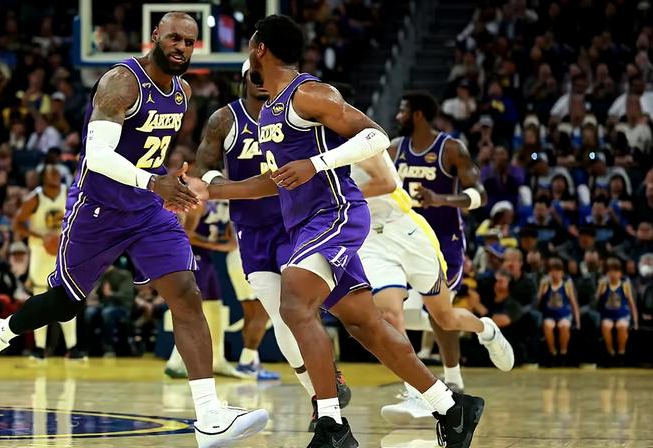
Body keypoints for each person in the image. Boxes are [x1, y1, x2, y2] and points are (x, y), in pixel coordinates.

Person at [0, 12, 268, 448]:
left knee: (186, 292)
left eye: (190, 42)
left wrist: (167, 182)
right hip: (98, 209)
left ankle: (209, 415)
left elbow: (145, 154)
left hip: (146, 210)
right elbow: (98, 154)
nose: (182, 47)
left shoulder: (181, 92)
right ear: (156, 36)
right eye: (174, 38)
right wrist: (153, 180)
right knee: (65, 303)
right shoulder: (122, 82)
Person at [184, 15, 483, 447]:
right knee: (366, 326)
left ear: (260, 48)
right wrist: (211, 191)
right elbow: (276, 179)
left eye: (250, 44)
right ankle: (452, 408)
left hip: (335, 213)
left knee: (295, 304)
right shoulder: (270, 108)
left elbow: (375, 136)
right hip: (303, 222)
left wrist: (316, 164)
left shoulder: (310, 92)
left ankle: (331, 425)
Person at [193, 59, 350, 429]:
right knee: (279, 316)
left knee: (304, 310)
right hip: (252, 229)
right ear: (245, 78)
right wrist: (221, 185)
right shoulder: (224, 119)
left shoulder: (296, 109)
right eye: (255, 75)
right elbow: (205, 167)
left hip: (298, 222)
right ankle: (319, 392)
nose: (262, 81)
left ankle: (325, 392)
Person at [347, 111, 513, 423]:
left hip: (406, 229)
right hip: (371, 239)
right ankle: (418, 391)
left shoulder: (357, 140)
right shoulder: (307, 150)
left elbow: (387, 182)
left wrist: (341, 193)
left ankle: (486, 329)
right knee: (389, 316)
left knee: (444, 317)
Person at [384, 91, 489, 400]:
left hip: (445, 241)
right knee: (392, 309)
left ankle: (453, 376)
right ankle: (417, 385)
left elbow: (480, 195)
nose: (398, 117)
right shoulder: (393, 150)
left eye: (403, 111)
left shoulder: (451, 149)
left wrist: (441, 199)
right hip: (404, 237)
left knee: (436, 313)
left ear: (417, 115)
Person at [163, 198, 245, 378]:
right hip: (192, 256)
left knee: (214, 307)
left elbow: (231, 244)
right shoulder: (200, 201)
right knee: (193, 309)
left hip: (207, 256)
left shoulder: (229, 201)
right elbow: (185, 233)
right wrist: (214, 243)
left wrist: (214, 244)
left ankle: (218, 360)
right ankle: (175, 362)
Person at [13, 163, 84, 360]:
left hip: (63, 251)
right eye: (50, 172)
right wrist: (41, 236)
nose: (55, 174)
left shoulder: (67, 190)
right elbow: (17, 223)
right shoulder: (35, 198)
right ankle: (38, 348)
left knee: (66, 296)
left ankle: (73, 347)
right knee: (39, 298)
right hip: (40, 253)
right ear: (43, 176)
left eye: (56, 171)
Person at [538, 257, 580, 364]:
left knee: (564, 326)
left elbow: (573, 303)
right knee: (548, 326)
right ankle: (553, 353)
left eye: (557, 271)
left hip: (564, 314)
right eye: (552, 271)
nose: (555, 274)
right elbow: (538, 302)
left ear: (562, 272)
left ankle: (563, 353)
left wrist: (577, 321)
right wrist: (542, 289)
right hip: (549, 314)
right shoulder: (545, 283)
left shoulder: (567, 284)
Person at [597, 258, 638, 365]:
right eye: (610, 271)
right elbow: (596, 302)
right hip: (608, 314)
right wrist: (599, 289)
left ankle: (621, 354)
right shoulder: (603, 284)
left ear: (620, 273)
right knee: (606, 327)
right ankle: (611, 353)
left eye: (616, 271)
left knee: (622, 327)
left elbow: (631, 303)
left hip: (622, 314)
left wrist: (635, 321)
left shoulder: (625, 284)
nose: (613, 274)